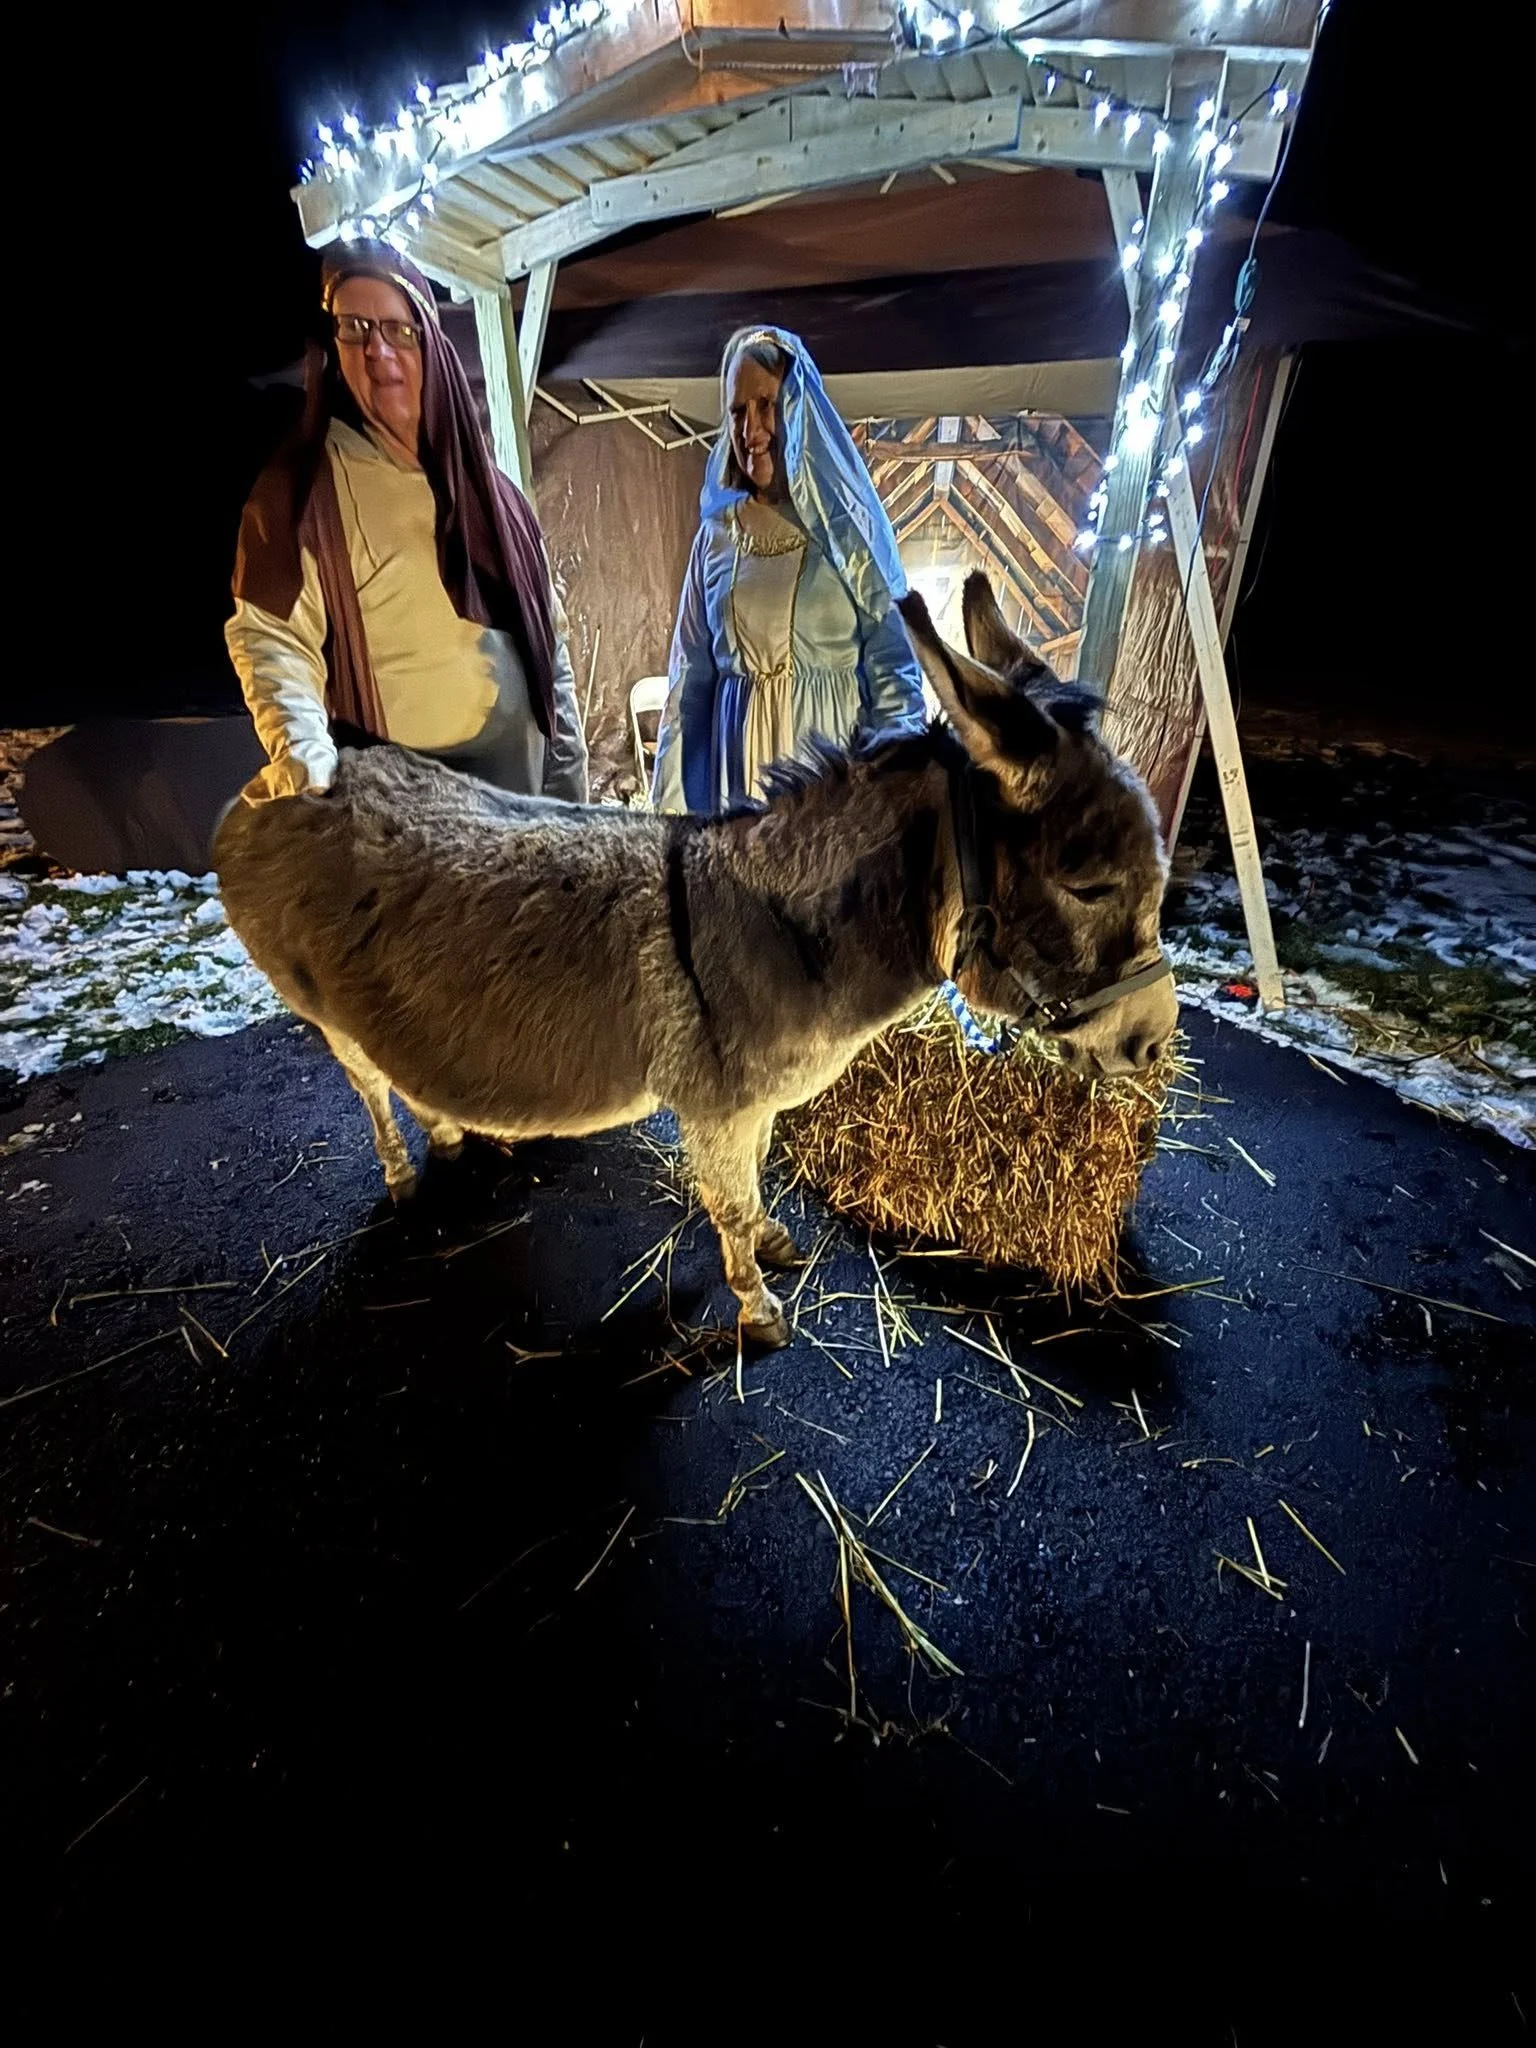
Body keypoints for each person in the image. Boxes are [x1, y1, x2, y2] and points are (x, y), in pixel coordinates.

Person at [227, 241, 589, 805]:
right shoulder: (304, 494)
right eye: (355, 328)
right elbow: (274, 647)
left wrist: (568, 795)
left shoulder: (493, 494)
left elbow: (552, 654)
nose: (377, 350)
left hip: (521, 806)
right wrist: (315, 780)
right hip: (409, 823)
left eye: (398, 329)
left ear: (431, 342)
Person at [652, 325, 927, 814]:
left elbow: (893, 668)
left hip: (828, 796)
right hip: (733, 792)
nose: (750, 431)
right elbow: (689, 682)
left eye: (767, 406)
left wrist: (894, 797)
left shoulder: (849, 531)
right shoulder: (715, 537)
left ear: (800, 409)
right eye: (737, 412)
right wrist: (671, 815)